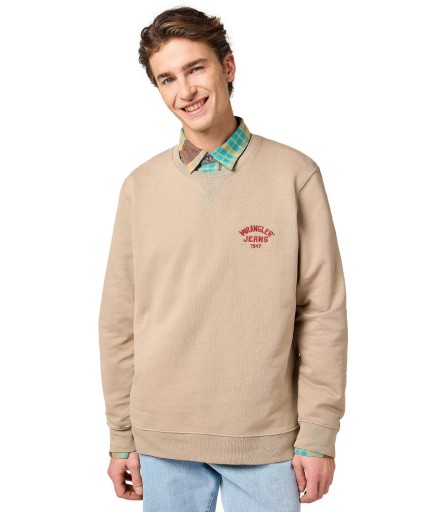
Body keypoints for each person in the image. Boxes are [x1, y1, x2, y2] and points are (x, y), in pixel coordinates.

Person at [98, 6, 348, 511]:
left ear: (227, 67)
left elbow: (322, 311)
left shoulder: (294, 175)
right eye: (167, 78)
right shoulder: (140, 187)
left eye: (196, 68)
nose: (185, 91)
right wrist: (122, 436)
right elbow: (119, 320)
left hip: (267, 440)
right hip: (162, 439)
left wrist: (318, 433)